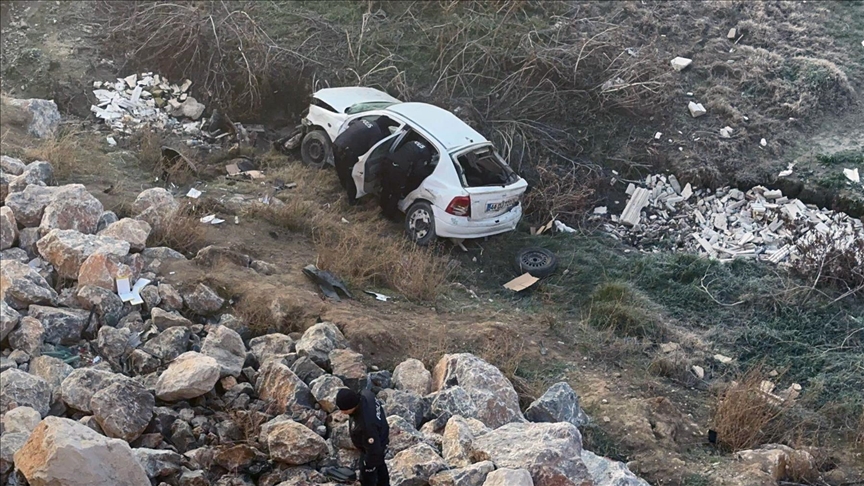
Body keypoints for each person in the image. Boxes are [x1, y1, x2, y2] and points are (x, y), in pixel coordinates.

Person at [336, 388, 390, 486]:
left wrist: (368, 467)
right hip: (380, 431)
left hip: (375, 446)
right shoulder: (366, 394)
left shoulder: (366, 425)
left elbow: (374, 451)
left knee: (372, 473)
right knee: (381, 465)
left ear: (352, 406)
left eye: (344, 410)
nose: (342, 412)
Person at [333, 117, 392, 205]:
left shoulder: (366, 120)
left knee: (340, 167)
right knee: (351, 175)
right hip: (347, 151)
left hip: (337, 142)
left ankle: (343, 186)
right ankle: (352, 200)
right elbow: (373, 150)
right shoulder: (376, 132)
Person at [379, 139, 434, 220]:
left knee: (386, 187)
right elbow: (418, 171)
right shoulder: (426, 153)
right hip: (399, 170)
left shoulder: (412, 142)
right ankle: (388, 214)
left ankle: (382, 207)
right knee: (396, 193)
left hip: (389, 162)